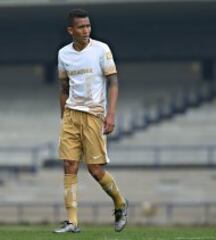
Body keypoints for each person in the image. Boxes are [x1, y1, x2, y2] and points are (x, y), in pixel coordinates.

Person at [54, 9, 128, 233]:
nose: (86, 30)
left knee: (95, 170)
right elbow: (64, 87)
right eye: (81, 27)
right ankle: (72, 221)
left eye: (88, 26)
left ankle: (120, 202)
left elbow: (113, 82)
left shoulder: (101, 49)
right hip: (71, 114)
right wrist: (63, 115)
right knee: (69, 165)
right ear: (71, 30)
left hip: (94, 114)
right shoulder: (63, 54)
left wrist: (111, 114)